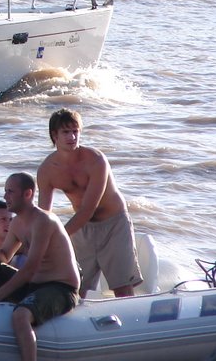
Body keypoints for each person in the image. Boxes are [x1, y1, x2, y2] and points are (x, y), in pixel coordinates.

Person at [36, 108, 143, 298]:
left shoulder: (96, 160)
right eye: (66, 132)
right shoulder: (47, 170)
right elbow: (44, 215)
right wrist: (36, 243)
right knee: (76, 286)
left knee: (122, 287)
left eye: (75, 131)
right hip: (81, 229)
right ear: (54, 135)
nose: (72, 137)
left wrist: (58, 236)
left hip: (114, 224)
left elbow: (88, 209)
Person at [0, 172, 80, 361]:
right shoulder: (17, 223)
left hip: (61, 288)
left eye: (10, 192)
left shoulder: (43, 221)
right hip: (34, 287)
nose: (5, 197)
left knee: (20, 316)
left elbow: (30, 268)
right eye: (5, 191)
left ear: (28, 194)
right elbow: (5, 255)